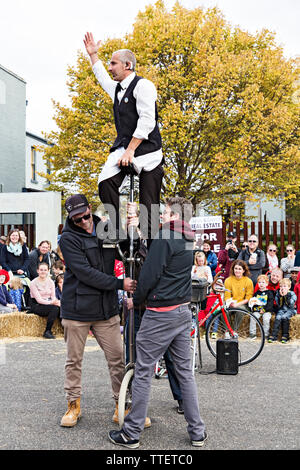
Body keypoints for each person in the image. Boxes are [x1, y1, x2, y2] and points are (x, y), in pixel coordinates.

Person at [108, 197, 207, 449]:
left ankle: (131, 433)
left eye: (164, 213)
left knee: (143, 372)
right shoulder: (188, 238)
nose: (161, 216)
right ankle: (197, 432)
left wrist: (136, 301)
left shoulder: (165, 237)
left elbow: (150, 274)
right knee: (185, 374)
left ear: (174, 215)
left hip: (160, 314)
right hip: (182, 313)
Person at [58, 194, 136, 428]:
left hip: (106, 308)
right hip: (76, 309)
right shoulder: (67, 238)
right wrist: (119, 284)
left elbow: (130, 248)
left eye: (84, 216)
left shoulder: (106, 227)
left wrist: (133, 226)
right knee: (74, 360)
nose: (82, 221)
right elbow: (84, 272)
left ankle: (121, 405)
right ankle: (73, 405)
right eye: (76, 219)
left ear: (90, 209)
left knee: (117, 359)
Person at [83, 32, 164, 243]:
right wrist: (93, 55)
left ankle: (149, 248)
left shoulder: (144, 86)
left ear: (127, 65)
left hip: (148, 151)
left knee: (150, 208)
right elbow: (101, 77)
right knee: (105, 182)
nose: (110, 68)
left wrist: (130, 151)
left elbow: (148, 121)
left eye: (113, 63)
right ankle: (119, 232)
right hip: (125, 147)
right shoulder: (117, 88)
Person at [29, 262, 60, 339]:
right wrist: (52, 303)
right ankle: (47, 331)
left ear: (48, 271)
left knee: (60, 307)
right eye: (41, 270)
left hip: (48, 302)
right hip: (36, 305)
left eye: (45, 270)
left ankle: (66, 329)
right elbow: (39, 300)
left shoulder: (51, 282)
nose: (43, 271)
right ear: (37, 271)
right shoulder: (33, 283)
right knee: (54, 308)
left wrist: (56, 302)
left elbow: (53, 296)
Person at [268, 278, 297, 343]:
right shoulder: (278, 293)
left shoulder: (292, 294)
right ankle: (274, 335)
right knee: (278, 317)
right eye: (281, 286)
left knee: (284, 317)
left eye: (284, 286)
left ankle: (285, 335)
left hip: (290, 310)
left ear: (289, 287)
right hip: (281, 309)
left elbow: (291, 305)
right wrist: (280, 297)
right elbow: (278, 304)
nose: (282, 288)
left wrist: (286, 296)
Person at [248, 274, 274, 339]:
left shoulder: (269, 293)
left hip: (266, 310)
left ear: (267, 284)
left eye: (263, 282)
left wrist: (264, 310)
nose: (261, 284)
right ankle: (252, 334)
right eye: (259, 282)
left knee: (266, 319)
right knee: (253, 317)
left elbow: (270, 304)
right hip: (258, 310)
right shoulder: (256, 293)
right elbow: (254, 302)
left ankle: (266, 334)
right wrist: (253, 308)